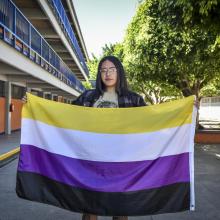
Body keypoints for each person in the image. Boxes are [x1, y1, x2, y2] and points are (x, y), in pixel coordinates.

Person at [72, 55, 146, 220]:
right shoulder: (88, 97)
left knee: (120, 209)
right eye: (103, 70)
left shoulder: (133, 99)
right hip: (92, 161)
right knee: (90, 207)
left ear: (119, 72)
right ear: (99, 74)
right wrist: (35, 104)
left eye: (112, 69)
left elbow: (153, 122)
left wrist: (185, 110)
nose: (107, 73)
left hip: (121, 163)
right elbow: (63, 113)